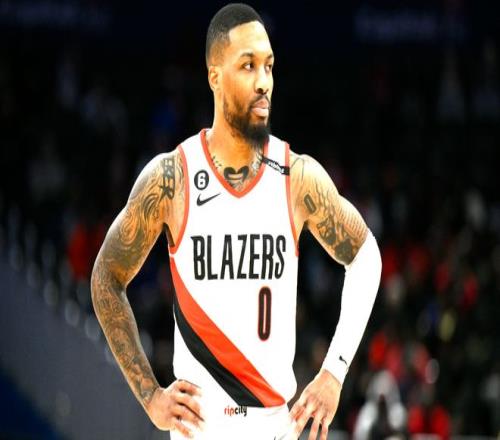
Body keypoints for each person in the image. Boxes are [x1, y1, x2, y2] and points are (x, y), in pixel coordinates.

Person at [91, 3, 382, 439]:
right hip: (198, 431)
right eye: (248, 66)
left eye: (269, 66)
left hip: (274, 427)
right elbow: (106, 276)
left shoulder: (297, 177)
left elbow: (365, 255)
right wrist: (149, 394)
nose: (264, 81)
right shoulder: (173, 178)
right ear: (214, 76)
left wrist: (334, 371)